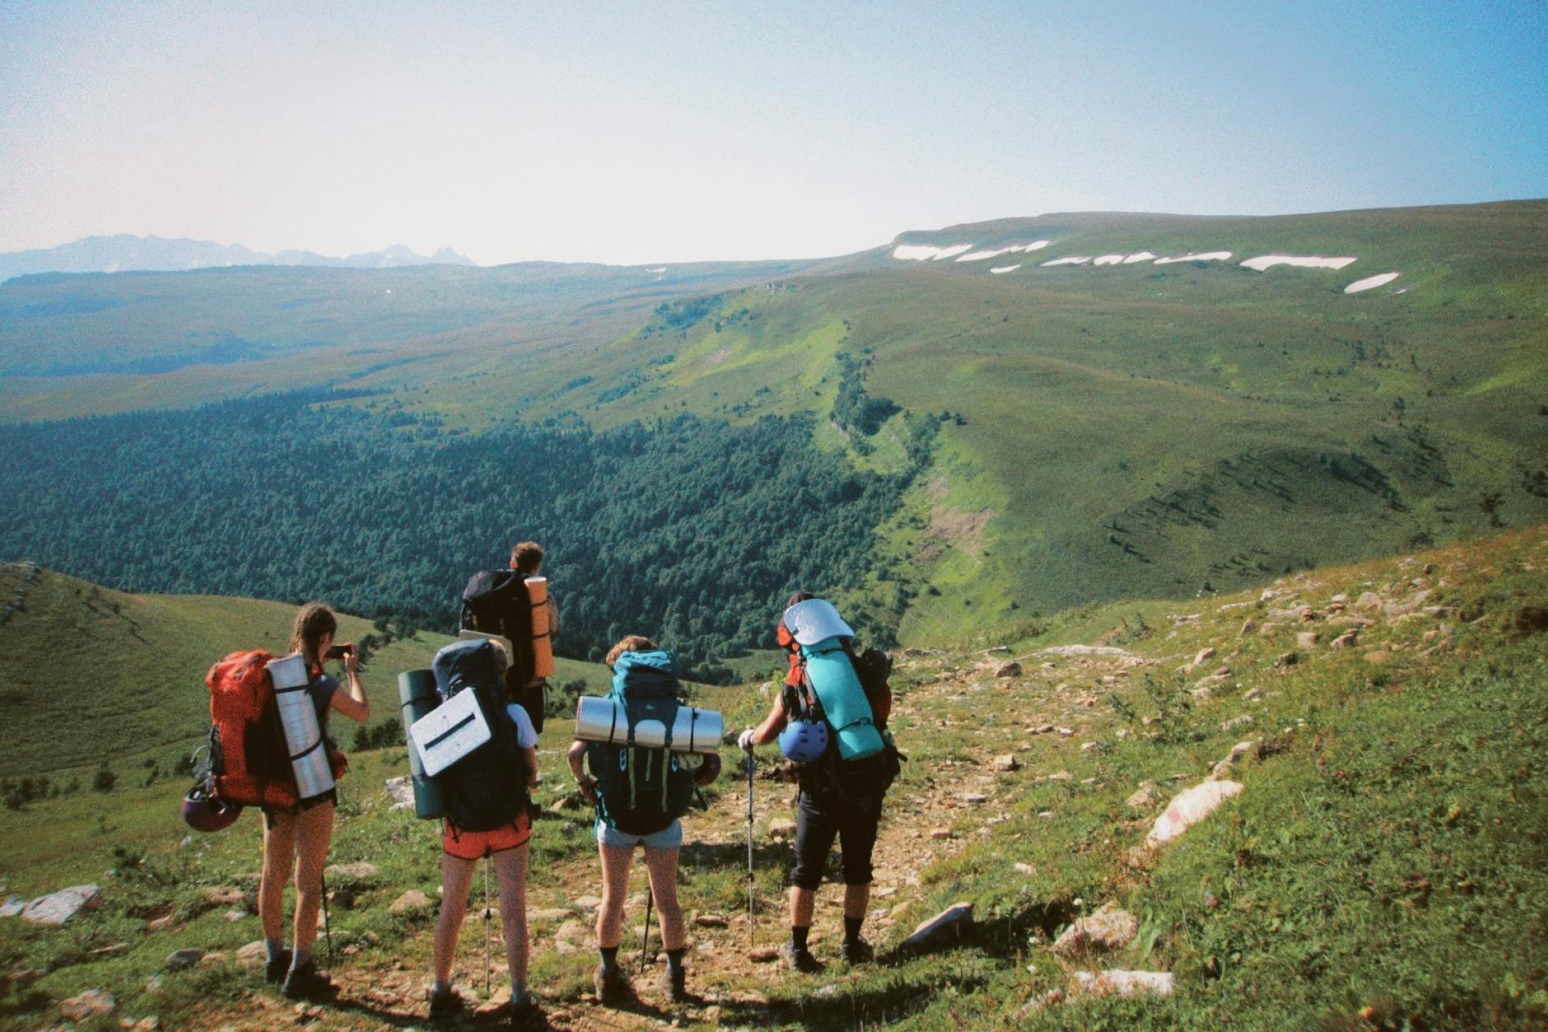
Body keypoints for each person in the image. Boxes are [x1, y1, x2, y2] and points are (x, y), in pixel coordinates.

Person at [737, 593, 895, 974]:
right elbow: (881, 716)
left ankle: (798, 949)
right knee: (859, 868)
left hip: (820, 790)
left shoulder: (797, 681)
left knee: (806, 871)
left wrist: (747, 738)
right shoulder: (862, 672)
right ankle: (852, 944)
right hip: (865, 783)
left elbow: (766, 733)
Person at [567, 636, 720, 1005]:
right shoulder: (676, 711)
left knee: (612, 898)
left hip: (616, 817)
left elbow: (574, 755)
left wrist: (586, 784)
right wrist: (689, 780)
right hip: (663, 820)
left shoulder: (606, 710)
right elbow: (711, 765)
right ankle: (675, 979)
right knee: (667, 901)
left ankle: (607, 975)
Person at [427, 638, 541, 1025]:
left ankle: (440, 990)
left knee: (452, 908)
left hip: (462, 830)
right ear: (503, 674)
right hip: (511, 824)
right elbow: (531, 774)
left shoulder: (451, 715)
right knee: (513, 909)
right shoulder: (515, 714)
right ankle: (520, 995)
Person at [259, 603, 369, 998]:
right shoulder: (320, 682)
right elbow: (361, 713)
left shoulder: (272, 674)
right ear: (325, 639)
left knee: (273, 873)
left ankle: (275, 956)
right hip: (313, 787)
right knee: (308, 880)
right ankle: (301, 967)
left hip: (275, 787)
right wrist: (353, 671)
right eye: (330, 640)